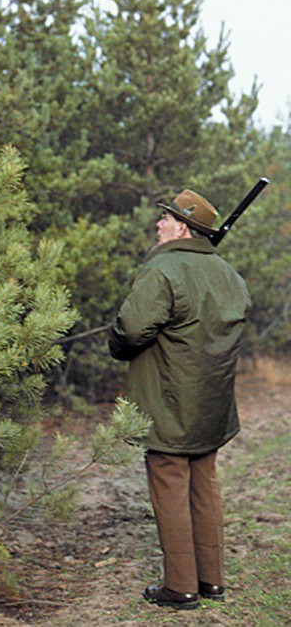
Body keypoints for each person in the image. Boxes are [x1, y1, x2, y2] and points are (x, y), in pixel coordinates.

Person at [108, 190, 251, 610]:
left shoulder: (163, 270)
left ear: (184, 228)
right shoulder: (229, 274)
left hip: (169, 403)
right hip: (212, 406)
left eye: (166, 219)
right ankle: (212, 582)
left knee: (171, 488)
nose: (159, 224)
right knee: (204, 487)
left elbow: (131, 330)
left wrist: (116, 345)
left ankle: (181, 587)